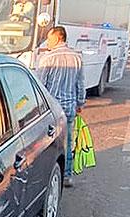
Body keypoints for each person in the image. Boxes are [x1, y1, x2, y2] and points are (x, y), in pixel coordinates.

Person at [36, 26, 85, 188]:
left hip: (51, 110)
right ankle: (67, 176)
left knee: (47, 143)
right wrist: (80, 103)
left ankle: (47, 176)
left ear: (57, 38)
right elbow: (80, 84)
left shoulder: (47, 58)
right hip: (69, 108)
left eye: (49, 39)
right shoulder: (77, 58)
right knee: (68, 142)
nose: (47, 42)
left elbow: (40, 86)